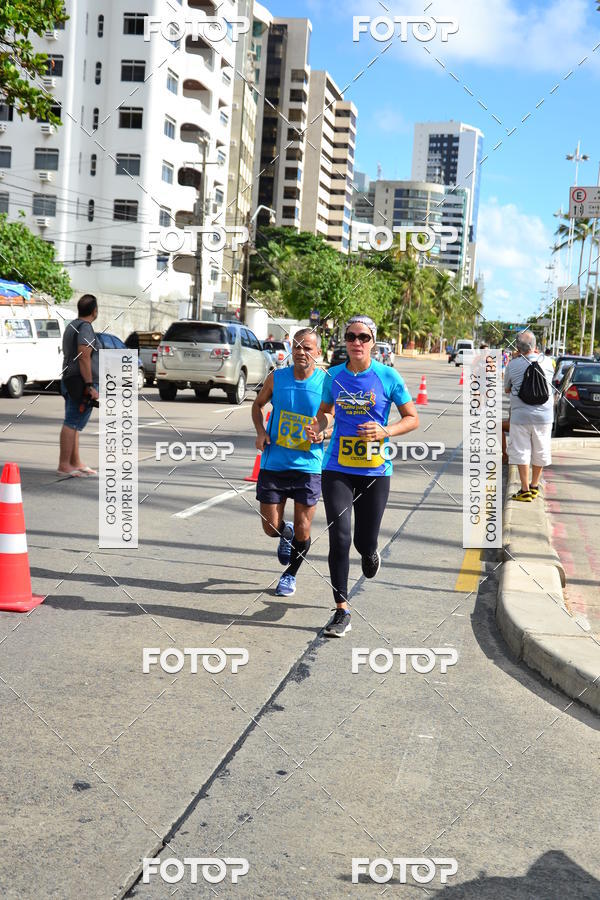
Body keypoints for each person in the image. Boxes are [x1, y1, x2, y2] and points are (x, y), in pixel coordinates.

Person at [306, 315, 419, 637]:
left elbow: (412, 418)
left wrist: (386, 430)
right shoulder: (334, 375)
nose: (357, 342)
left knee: (362, 541)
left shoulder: (387, 376)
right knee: (339, 537)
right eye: (351, 336)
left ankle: (370, 552)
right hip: (337, 467)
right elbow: (326, 412)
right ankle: (341, 610)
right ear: (345, 341)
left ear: (373, 342)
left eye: (364, 337)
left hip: (375, 471)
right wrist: (319, 427)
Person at [251, 329, 328, 597]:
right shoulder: (277, 378)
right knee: (270, 526)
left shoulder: (325, 382)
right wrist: (261, 432)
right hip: (275, 462)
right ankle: (286, 533)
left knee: (304, 529)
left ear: (318, 352)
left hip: (308, 465)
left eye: (307, 348)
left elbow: (332, 416)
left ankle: (290, 575)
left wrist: (323, 431)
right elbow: (258, 405)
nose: (301, 352)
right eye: (297, 347)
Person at [504, 330, 555, 501]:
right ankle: (534, 486)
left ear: (518, 348)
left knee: (521, 451)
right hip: (544, 416)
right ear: (535, 345)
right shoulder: (548, 362)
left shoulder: (512, 365)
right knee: (541, 449)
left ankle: (524, 489)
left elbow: (507, 389)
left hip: (520, 416)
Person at [57, 294, 100, 478]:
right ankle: (64, 465)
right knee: (71, 422)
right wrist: (89, 385)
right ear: (95, 311)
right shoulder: (86, 328)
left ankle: (75, 462)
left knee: (74, 422)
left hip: (70, 379)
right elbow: (84, 356)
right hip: (80, 381)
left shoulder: (72, 325)